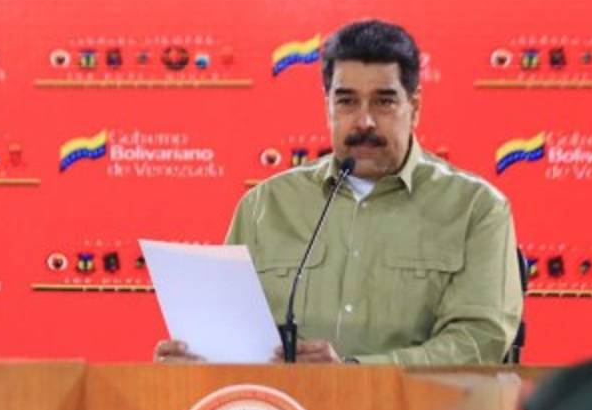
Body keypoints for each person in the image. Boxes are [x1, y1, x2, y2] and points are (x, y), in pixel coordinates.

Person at [156, 20, 522, 365]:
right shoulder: (265, 206)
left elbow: (479, 341)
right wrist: (198, 359)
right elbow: (228, 337)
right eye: (347, 101)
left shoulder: (476, 209)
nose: (364, 121)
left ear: (414, 108)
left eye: (384, 101)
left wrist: (354, 373)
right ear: (328, 105)